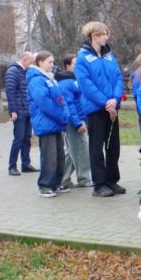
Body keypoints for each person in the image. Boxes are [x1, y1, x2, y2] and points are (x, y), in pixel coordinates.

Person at [75, 22, 125, 197]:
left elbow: (118, 78)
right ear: (93, 35)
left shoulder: (109, 56)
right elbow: (86, 85)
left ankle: (112, 180)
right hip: (96, 109)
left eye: (106, 33)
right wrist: (105, 102)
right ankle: (99, 184)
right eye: (103, 34)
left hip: (112, 108)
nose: (106, 37)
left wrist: (115, 99)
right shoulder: (82, 58)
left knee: (113, 146)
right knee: (97, 148)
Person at [26, 51, 70, 198]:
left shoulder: (50, 79)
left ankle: (57, 182)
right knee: (49, 155)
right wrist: (60, 116)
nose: (52, 65)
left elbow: (60, 99)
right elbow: (44, 102)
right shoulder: (37, 80)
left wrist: (65, 113)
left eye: (52, 62)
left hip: (55, 122)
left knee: (59, 155)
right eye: (49, 62)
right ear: (40, 62)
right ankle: (45, 185)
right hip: (46, 123)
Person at [56, 55, 92, 188]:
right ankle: (84, 178)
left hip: (80, 119)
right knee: (82, 149)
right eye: (75, 64)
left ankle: (62, 179)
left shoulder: (75, 80)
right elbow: (69, 105)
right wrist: (77, 123)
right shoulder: (66, 83)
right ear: (67, 66)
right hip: (75, 121)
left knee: (73, 152)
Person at [5, 51, 36, 176]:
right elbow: (10, 92)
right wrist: (13, 111)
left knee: (27, 138)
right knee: (18, 139)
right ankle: (12, 166)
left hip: (27, 110)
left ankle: (26, 164)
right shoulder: (13, 71)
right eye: (31, 61)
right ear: (24, 60)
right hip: (18, 111)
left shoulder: (25, 72)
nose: (32, 64)